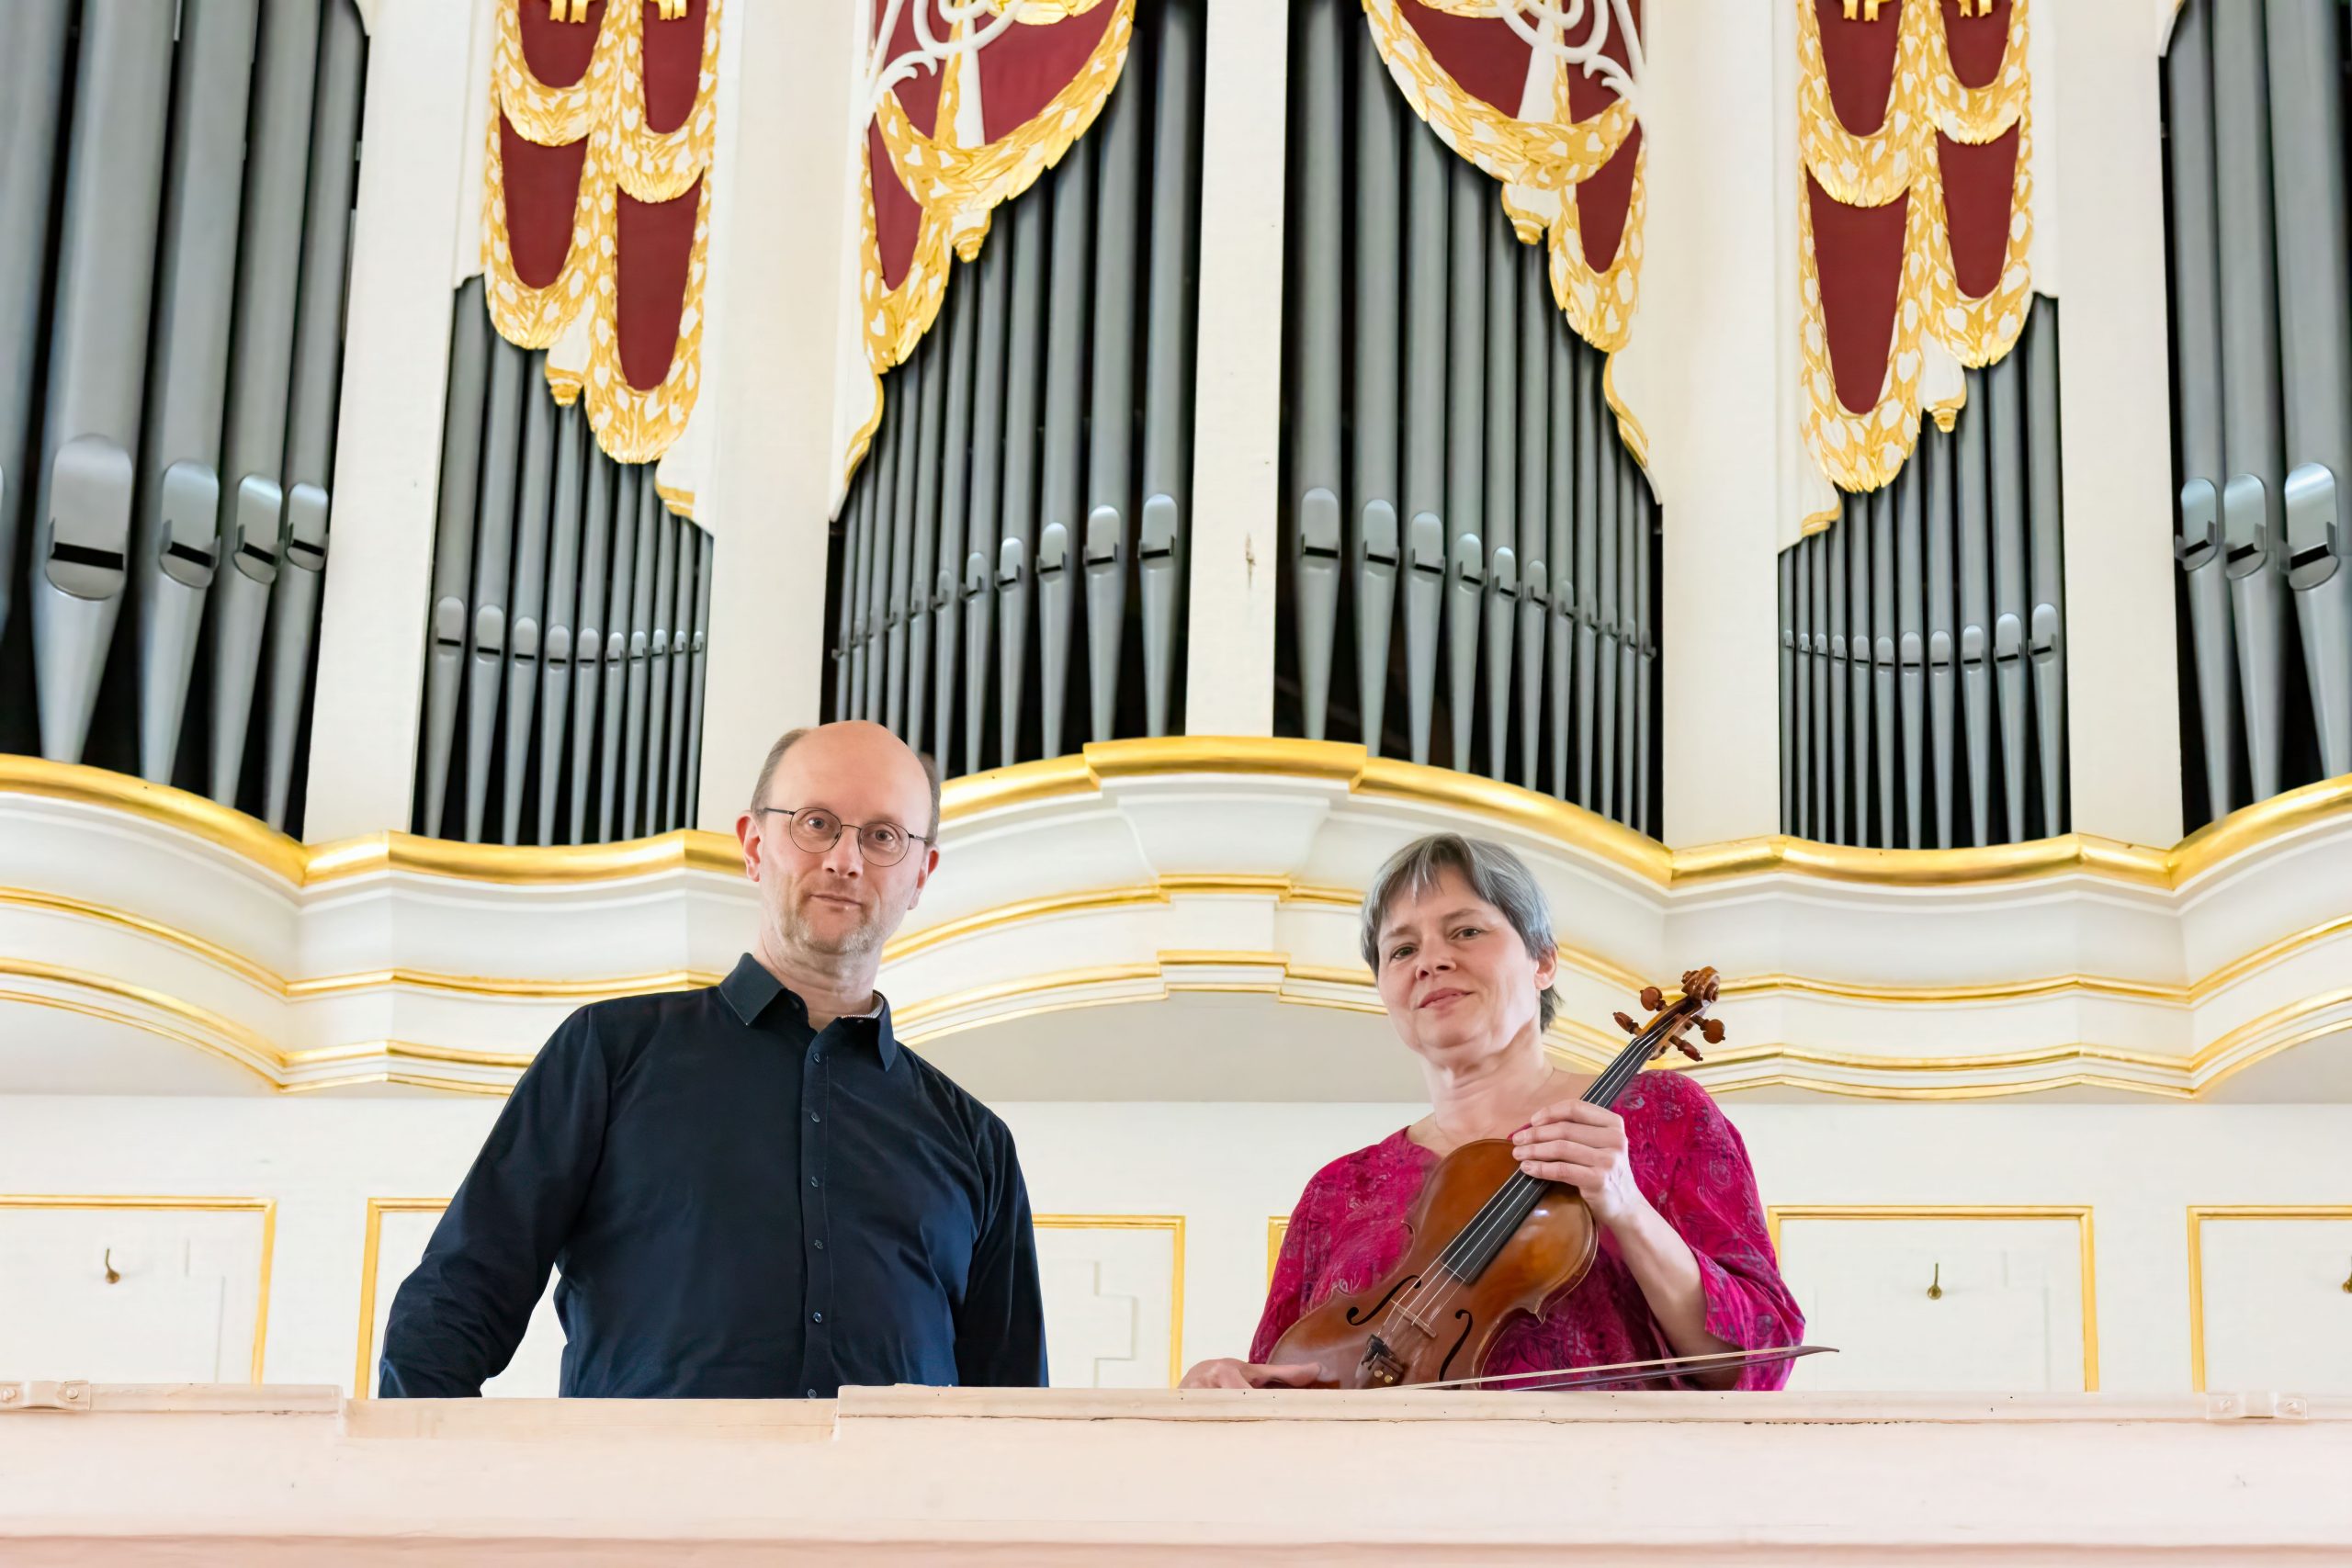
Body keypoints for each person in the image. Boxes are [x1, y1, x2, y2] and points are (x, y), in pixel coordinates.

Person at [379, 720, 1046, 1397]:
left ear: (920, 874)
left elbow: (1016, 1409)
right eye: (816, 823)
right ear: (755, 845)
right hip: (649, 1501)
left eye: (882, 837)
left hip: (896, 1504)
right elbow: (455, 1304)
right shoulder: (609, 1053)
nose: (846, 859)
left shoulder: (977, 1141)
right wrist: (427, 1484)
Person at [1182, 832, 1800, 1393]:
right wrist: (1228, 1381)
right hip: (1377, 1505)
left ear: (1543, 960)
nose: (1430, 960)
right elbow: (1273, 1390)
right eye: (1400, 949)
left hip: (1603, 1496)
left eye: (1466, 930)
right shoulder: (1338, 1189)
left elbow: (1762, 1356)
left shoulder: (1662, 1114)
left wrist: (1626, 1207)